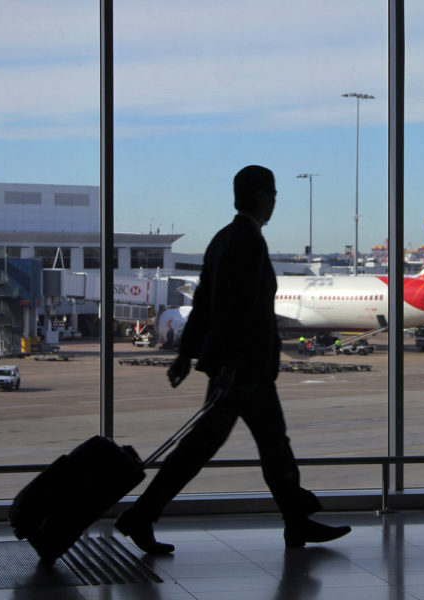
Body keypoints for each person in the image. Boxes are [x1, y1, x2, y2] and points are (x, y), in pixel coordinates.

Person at [115, 165, 351, 554]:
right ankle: (141, 515)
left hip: (240, 367)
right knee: (219, 447)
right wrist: (230, 364)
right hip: (244, 370)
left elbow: (205, 303)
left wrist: (187, 355)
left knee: (265, 445)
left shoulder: (224, 238)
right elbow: (238, 311)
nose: (275, 202)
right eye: (273, 194)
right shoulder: (248, 242)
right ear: (260, 196)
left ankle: (296, 522)